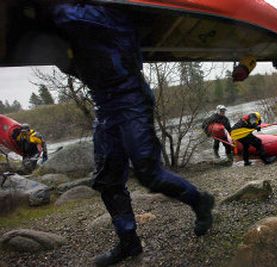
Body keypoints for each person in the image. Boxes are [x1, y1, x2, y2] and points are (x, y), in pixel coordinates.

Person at [51, 4, 214, 266]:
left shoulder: (113, 12)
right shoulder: (74, 22)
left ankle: (200, 201)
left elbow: (68, 14)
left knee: (148, 172)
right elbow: (78, 62)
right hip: (104, 104)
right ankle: (129, 242)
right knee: (108, 180)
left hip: (131, 98)